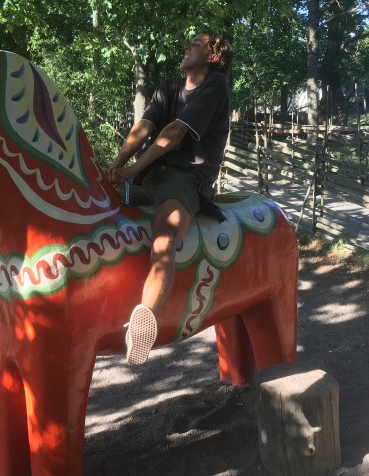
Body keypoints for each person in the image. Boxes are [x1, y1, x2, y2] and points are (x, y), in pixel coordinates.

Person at [107, 31, 232, 364]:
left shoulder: (215, 86)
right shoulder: (168, 88)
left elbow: (175, 132)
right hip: (151, 176)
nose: (186, 45)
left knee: (164, 241)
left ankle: (143, 323)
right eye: (187, 41)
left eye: (196, 44)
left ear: (213, 56)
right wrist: (117, 164)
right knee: (96, 204)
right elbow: (144, 128)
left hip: (185, 179)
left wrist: (131, 170)